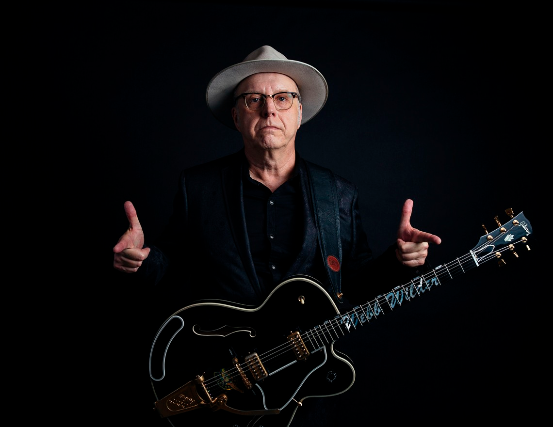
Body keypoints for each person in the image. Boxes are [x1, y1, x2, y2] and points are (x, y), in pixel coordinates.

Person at [112, 45, 441, 427]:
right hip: (219, 378)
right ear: (237, 116)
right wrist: (141, 261)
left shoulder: (337, 193)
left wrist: (399, 261)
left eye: (283, 98)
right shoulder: (199, 187)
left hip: (303, 388)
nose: (269, 110)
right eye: (254, 99)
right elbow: (171, 269)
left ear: (299, 112)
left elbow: (354, 285)